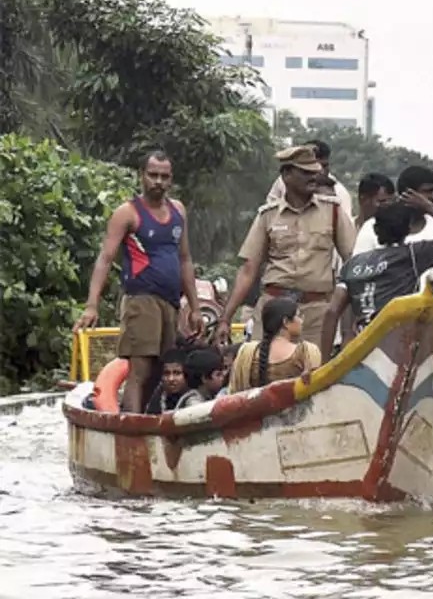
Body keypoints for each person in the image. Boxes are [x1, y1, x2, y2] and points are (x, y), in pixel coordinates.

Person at [74, 151, 202, 413]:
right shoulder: (128, 213)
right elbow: (105, 258)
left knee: (164, 370)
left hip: (171, 302)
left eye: (164, 176)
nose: (158, 181)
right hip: (141, 299)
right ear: (141, 176)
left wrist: (195, 307)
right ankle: (131, 425)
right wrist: (91, 305)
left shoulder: (179, 211)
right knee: (140, 369)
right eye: (153, 175)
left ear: (171, 179)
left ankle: (152, 421)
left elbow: (185, 259)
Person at [319, 191, 433, 374]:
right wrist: (429, 207)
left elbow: (332, 312)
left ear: (376, 229)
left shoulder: (352, 265)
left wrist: (324, 366)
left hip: (363, 352)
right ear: (408, 229)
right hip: (403, 352)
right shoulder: (412, 255)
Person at [216, 145, 357, 347]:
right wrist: (225, 319)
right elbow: (248, 270)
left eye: (315, 172)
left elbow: (352, 263)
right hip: (273, 309)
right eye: (305, 172)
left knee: (314, 372)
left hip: (316, 314)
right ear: (286, 175)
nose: (313, 177)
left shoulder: (332, 211)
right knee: (263, 369)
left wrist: (350, 318)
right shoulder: (268, 215)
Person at [354, 166, 433, 339]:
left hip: (429, 334)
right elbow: (355, 287)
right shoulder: (374, 228)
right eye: (428, 192)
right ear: (407, 195)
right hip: (382, 335)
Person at [228, 297, 322, 393]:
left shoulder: (247, 352)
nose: (301, 321)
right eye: (298, 316)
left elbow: (234, 393)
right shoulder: (307, 351)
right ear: (285, 322)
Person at [266, 139, 354, 218]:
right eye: (308, 170)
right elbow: (270, 212)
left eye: (324, 166)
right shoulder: (284, 181)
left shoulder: (340, 193)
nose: (320, 171)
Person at [145, 349, 189, 414]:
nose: (171, 379)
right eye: (166, 373)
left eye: (177, 373)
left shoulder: (195, 399)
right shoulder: (158, 398)